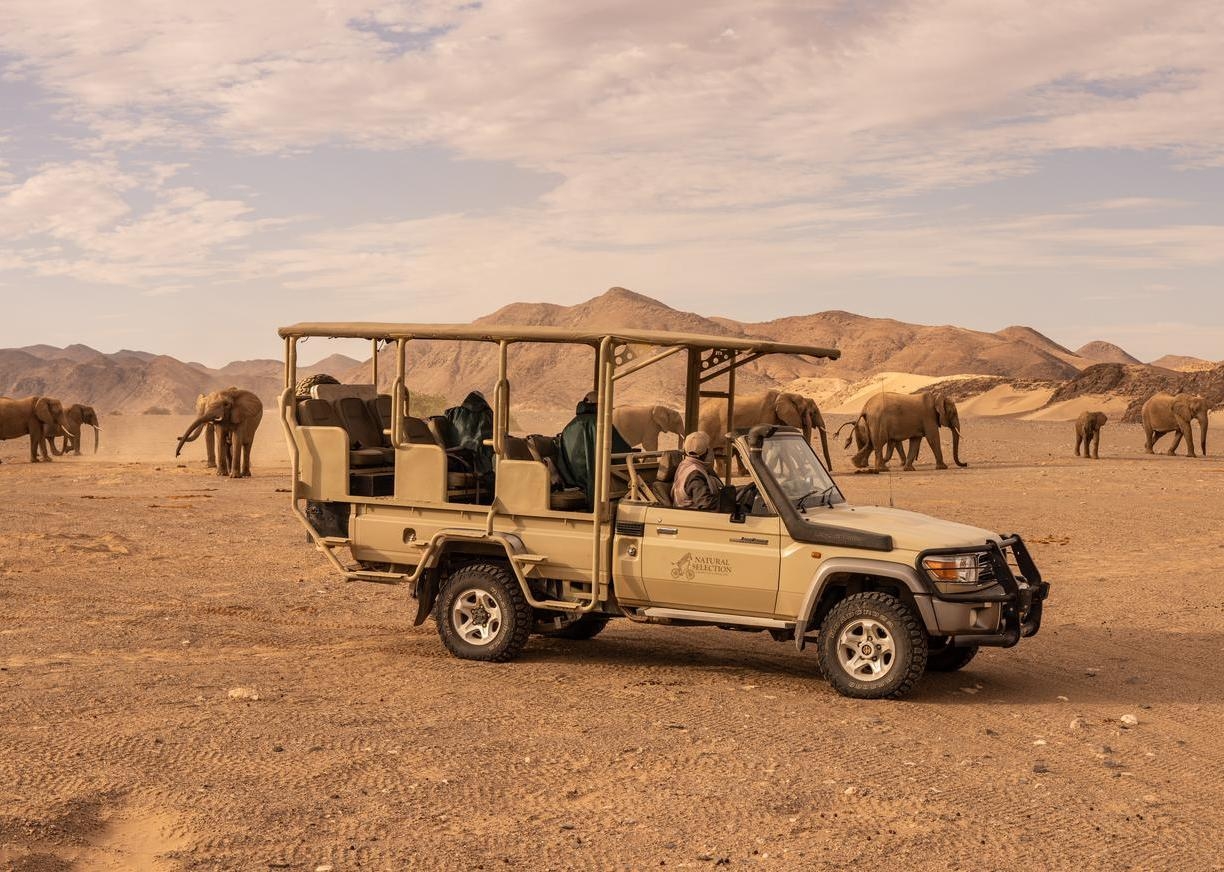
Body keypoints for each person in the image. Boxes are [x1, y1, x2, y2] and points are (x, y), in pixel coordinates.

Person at [555, 390, 633, 509]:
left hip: (572, 479)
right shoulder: (600, 424)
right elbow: (622, 452)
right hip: (595, 480)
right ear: (598, 406)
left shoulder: (570, 426)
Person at [672, 432, 724, 510]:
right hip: (696, 517)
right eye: (710, 449)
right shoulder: (695, 474)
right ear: (706, 452)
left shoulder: (685, 465)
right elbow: (706, 504)